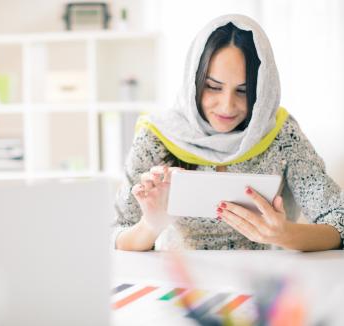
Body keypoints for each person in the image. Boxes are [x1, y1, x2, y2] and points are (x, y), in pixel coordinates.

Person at [112, 14, 344, 251]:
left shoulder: (281, 134)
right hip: (180, 279)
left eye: (243, 91)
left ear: (263, 92)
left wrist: (285, 234)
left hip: (264, 281)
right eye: (213, 87)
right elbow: (117, 237)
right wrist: (150, 225)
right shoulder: (157, 137)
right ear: (194, 80)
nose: (227, 105)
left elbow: (339, 221)